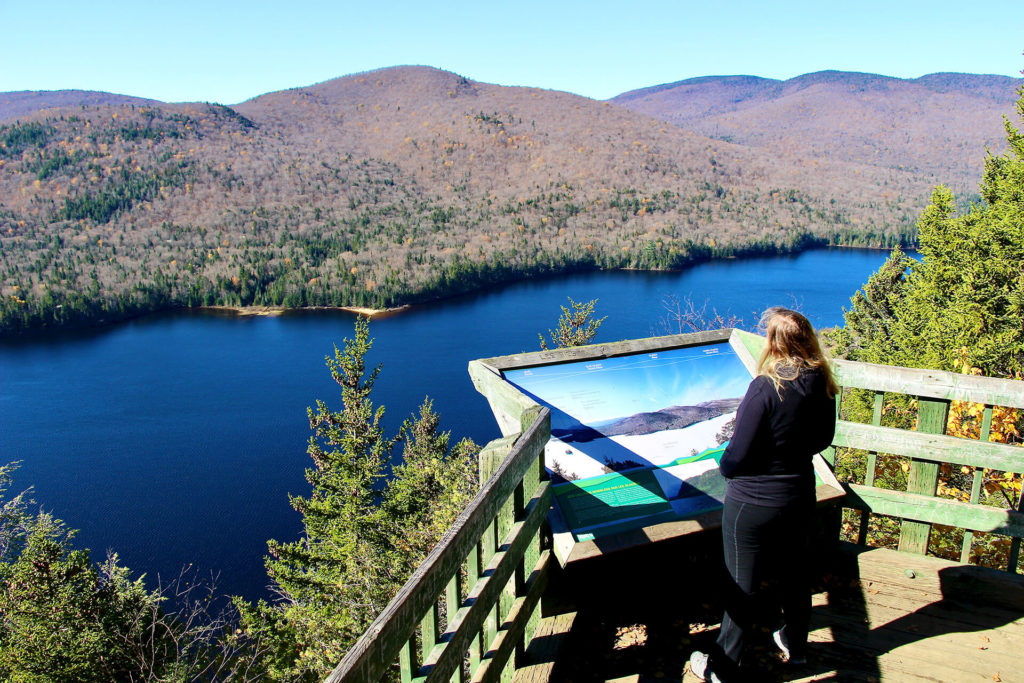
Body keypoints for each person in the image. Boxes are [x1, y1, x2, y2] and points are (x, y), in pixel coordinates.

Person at [689, 308, 838, 683]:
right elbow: (823, 439)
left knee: (742, 585)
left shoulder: (766, 386)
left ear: (772, 343)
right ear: (807, 339)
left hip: (751, 504)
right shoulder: (820, 380)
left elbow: (736, 454)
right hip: (799, 495)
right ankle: (795, 646)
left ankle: (722, 667)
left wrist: (726, 468)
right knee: (795, 575)